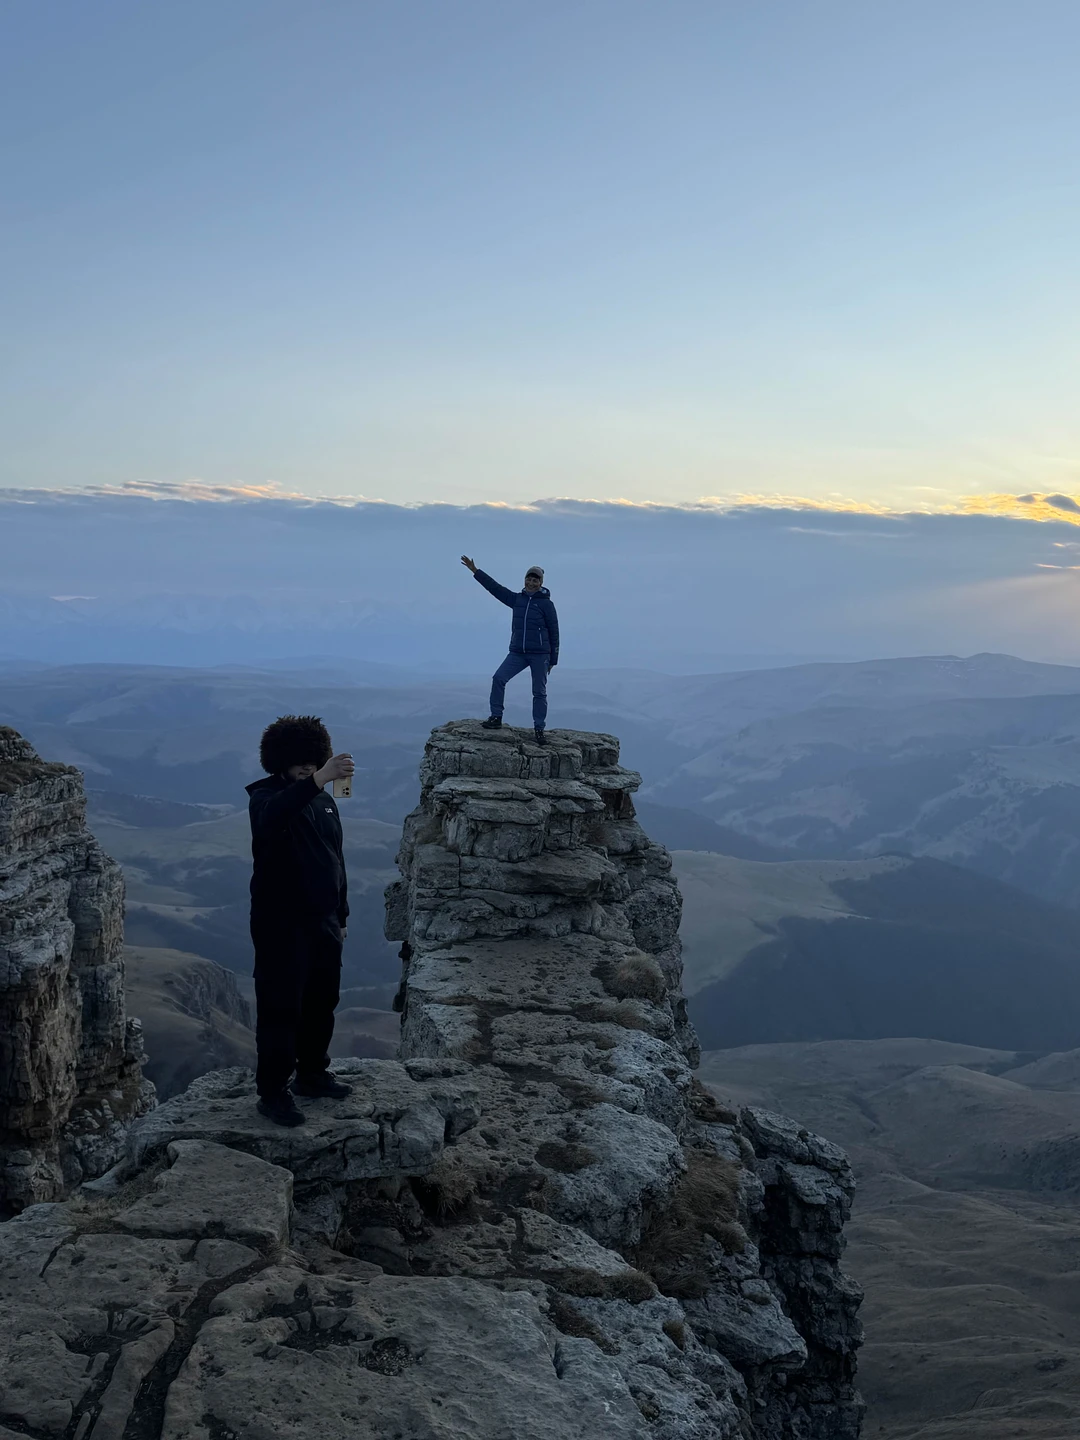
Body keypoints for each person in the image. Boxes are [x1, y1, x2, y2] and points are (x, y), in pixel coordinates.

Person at [246, 714, 355, 1126]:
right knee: (280, 1008)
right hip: (280, 924)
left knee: (321, 1002)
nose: (307, 768)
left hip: (324, 920)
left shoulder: (326, 801)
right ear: (280, 762)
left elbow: (335, 859)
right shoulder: (264, 798)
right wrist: (318, 781)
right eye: (299, 762)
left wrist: (341, 914)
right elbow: (272, 819)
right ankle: (272, 1092)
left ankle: (312, 1074)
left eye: (313, 760)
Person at [461, 556, 559, 745]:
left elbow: (554, 633)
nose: (531, 582)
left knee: (539, 692)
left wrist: (553, 660)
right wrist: (476, 571)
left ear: (541, 583)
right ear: (524, 580)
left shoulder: (546, 604)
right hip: (518, 652)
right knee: (499, 678)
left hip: (540, 655)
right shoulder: (517, 599)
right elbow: (495, 589)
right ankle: (496, 717)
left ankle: (539, 729)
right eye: (529, 579)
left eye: (535, 580)